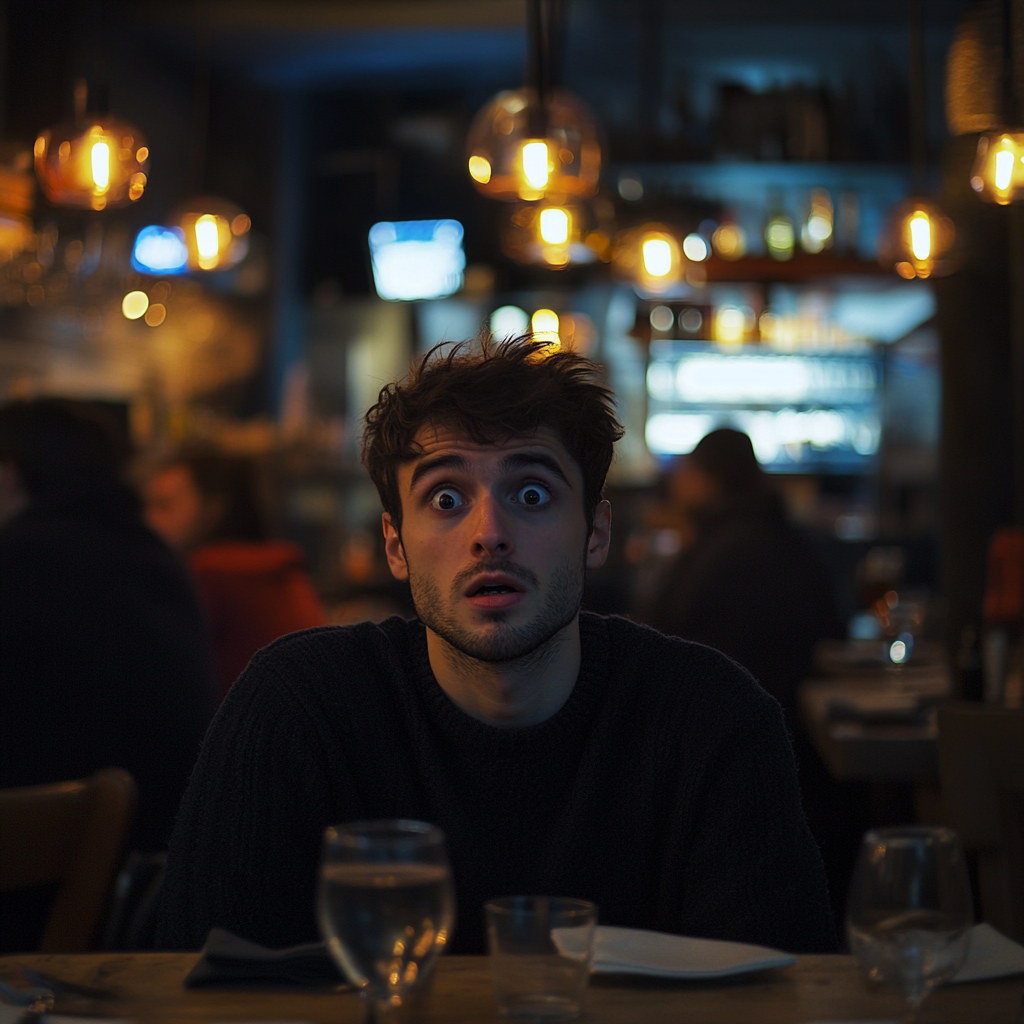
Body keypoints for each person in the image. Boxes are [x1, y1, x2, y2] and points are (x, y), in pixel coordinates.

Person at [155, 339, 836, 956]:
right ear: (395, 543)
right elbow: (201, 989)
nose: (490, 533)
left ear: (594, 533)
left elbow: (779, 993)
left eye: (532, 493)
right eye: (446, 498)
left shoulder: (712, 720)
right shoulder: (296, 711)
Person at [0, 399, 215, 950]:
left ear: (10, 477)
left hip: (29, 904)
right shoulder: (156, 556)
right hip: (151, 897)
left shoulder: (19, 557)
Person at [638, 429, 841, 719]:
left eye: (687, 470)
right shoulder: (778, 533)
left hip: (724, 715)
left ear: (710, 478)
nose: (676, 482)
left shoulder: (725, 546)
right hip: (784, 712)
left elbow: (661, 629)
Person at [144, 450, 327, 701]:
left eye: (163, 505)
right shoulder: (276, 568)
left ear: (213, 510)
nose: (148, 520)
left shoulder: (210, 575)